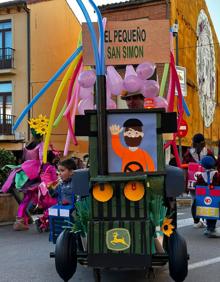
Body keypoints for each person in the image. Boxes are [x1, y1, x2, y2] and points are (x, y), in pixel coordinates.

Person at [13, 151, 58, 231]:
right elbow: (54, 179)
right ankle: (42, 221)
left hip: (35, 186)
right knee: (52, 205)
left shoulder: (39, 165)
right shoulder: (51, 167)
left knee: (26, 201)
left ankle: (21, 220)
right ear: (53, 158)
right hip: (46, 188)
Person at [183, 133, 215, 228]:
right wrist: (185, 183)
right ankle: (196, 220)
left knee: (206, 200)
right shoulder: (188, 153)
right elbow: (184, 168)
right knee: (195, 200)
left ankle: (204, 220)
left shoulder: (208, 152)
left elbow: (214, 164)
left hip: (206, 181)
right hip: (193, 182)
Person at [196, 156, 220, 238]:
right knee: (214, 212)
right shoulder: (217, 174)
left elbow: (197, 186)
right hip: (215, 197)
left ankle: (209, 228)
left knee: (207, 211)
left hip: (204, 198)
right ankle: (211, 229)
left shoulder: (201, 176)